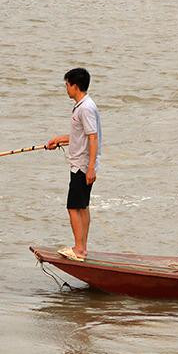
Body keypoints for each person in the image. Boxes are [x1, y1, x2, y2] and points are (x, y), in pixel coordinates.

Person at [46, 68, 101, 262]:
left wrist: (91, 167)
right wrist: (59, 140)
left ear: (74, 86)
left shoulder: (85, 108)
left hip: (82, 165)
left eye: (67, 85)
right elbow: (81, 136)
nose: (66, 89)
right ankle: (82, 248)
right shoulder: (85, 105)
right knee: (82, 206)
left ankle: (78, 249)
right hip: (83, 164)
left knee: (73, 207)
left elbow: (93, 137)